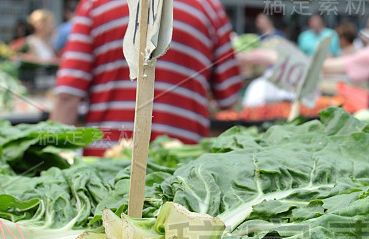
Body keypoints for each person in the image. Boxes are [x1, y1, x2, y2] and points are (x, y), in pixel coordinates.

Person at [51, 0, 242, 156]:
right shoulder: (208, 7)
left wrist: (53, 161)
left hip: (104, 166)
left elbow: (68, 96)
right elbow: (228, 97)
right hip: (184, 167)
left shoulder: (94, 5)